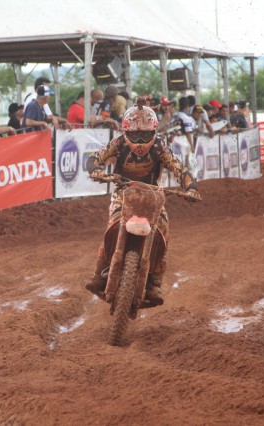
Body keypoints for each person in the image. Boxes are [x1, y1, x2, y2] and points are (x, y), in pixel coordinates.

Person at [84, 97, 200, 305]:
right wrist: (96, 170)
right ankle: (97, 274)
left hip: (153, 194)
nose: (139, 140)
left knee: (163, 230)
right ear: (126, 131)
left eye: (144, 134)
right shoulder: (119, 143)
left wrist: (190, 187)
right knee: (112, 225)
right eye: (135, 134)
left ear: (153, 131)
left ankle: (155, 283)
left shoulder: (159, 147)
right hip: (123, 192)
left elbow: (178, 168)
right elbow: (94, 158)